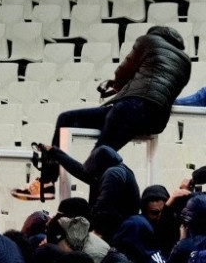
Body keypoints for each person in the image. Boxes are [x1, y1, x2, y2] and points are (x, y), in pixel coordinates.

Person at [15, 25, 191, 200]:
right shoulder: (186, 62)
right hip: (156, 121)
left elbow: (123, 73)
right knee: (98, 158)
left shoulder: (148, 41)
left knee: (83, 145)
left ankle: (47, 182)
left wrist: (114, 85)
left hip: (130, 108)